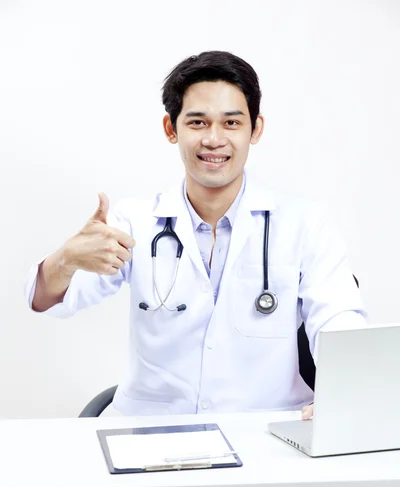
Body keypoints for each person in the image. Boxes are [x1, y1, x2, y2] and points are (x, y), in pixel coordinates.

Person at [25, 50, 367, 418]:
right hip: (151, 431)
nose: (214, 140)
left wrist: (344, 393)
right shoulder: (135, 222)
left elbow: (338, 321)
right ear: (171, 129)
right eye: (198, 123)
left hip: (268, 428)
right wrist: (66, 259)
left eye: (231, 123)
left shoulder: (304, 224)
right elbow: (49, 302)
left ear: (256, 129)